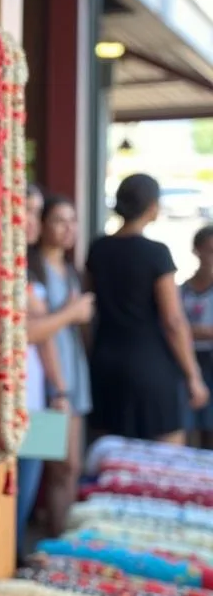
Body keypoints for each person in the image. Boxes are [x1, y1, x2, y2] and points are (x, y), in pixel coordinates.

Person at [87, 173, 210, 446]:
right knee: (165, 459)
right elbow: (174, 320)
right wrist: (193, 375)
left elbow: (89, 308)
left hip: (105, 360)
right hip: (150, 365)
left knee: (112, 458)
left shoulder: (98, 248)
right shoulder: (156, 253)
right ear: (152, 206)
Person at [18, 185, 94, 552]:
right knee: (47, 467)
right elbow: (37, 331)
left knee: (66, 464)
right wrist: (73, 313)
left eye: (72, 221)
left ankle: (57, 542)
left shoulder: (74, 271)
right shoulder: (31, 268)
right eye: (57, 220)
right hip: (40, 385)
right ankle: (48, 544)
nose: (67, 229)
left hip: (65, 375)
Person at [181, 224, 213, 449]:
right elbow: (172, 325)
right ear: (197, 251)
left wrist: (188, 330)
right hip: (188, 361)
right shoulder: (182, 290)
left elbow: (178, 327)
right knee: (188, 426)